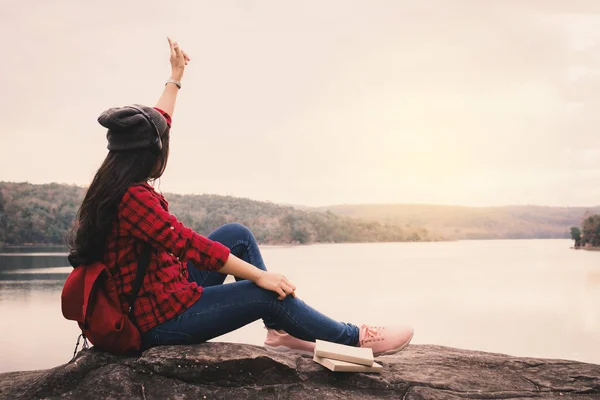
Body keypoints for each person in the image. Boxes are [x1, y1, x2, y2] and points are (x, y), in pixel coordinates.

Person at [68, 37, 414, 356]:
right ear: (151, 153)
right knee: (264, 293)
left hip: (167, 294)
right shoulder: (132, 198)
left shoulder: (114, 178)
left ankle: (280, 332)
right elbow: (188, 245)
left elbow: (158, 123)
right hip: (157, 323)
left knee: (237, 235)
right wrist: (259, 276)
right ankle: (352, 339)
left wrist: (175, 76)